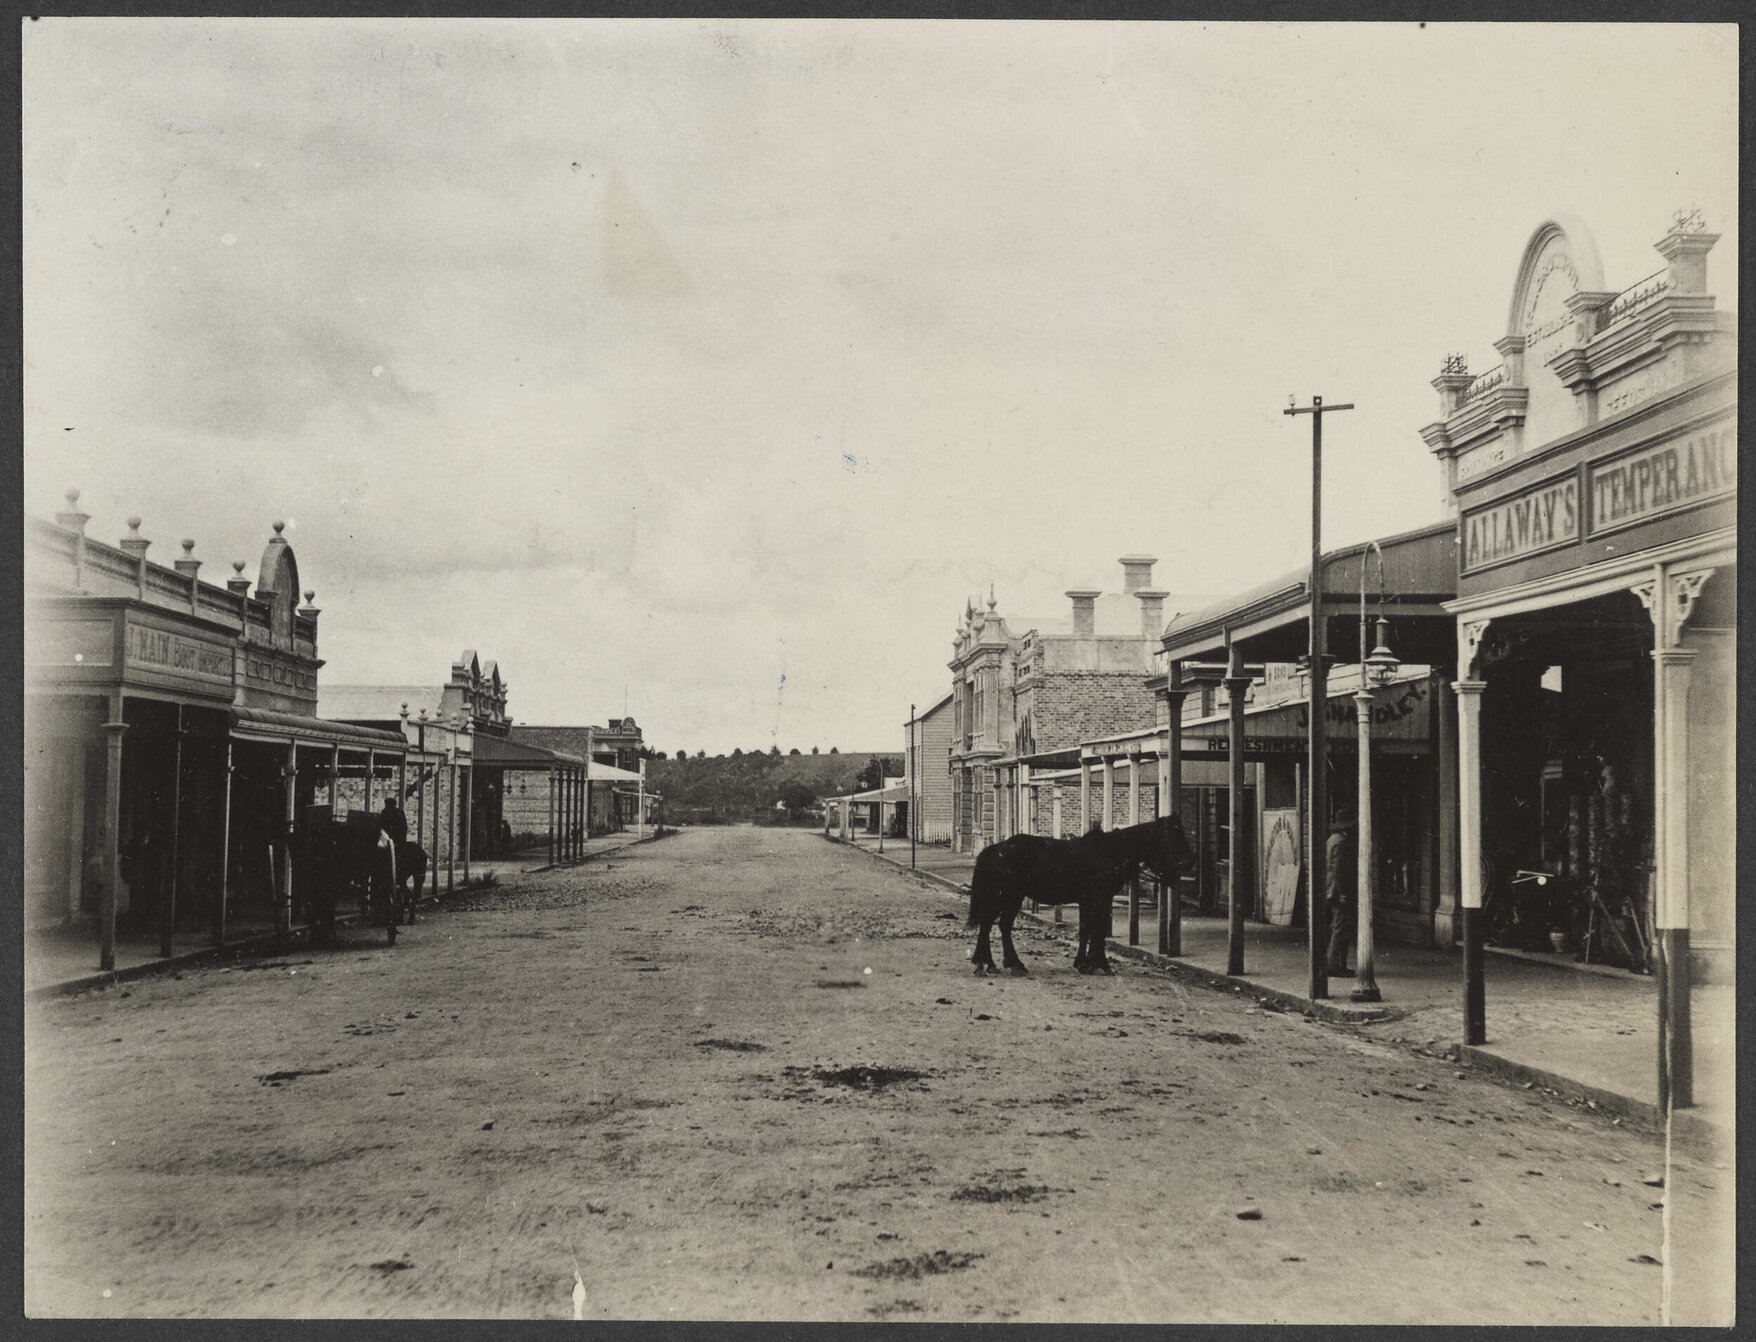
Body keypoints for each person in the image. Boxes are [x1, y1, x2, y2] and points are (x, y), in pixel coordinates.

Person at [1324, 811, 1357, 976]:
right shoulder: (1342, 842)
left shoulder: (1332, 840)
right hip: (1340, 893)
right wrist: (1342, 893)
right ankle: (1334, 964)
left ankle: (1339, 964)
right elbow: (1338, 871)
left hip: (1333, 891)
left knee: (1340, 928)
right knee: (1340, 929)